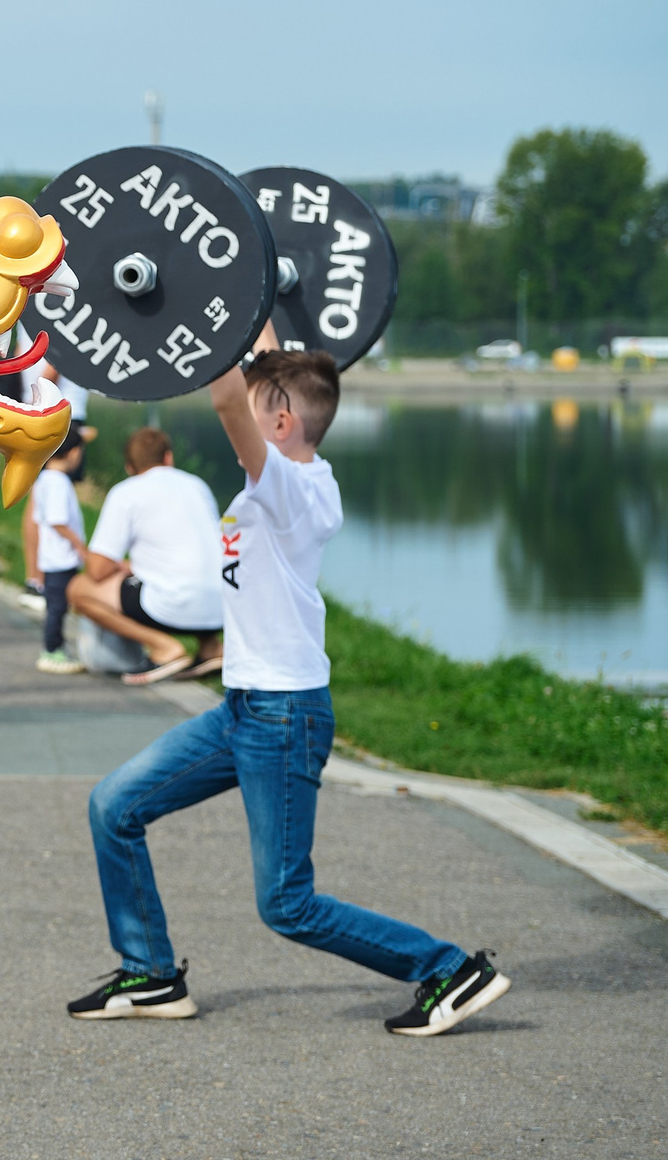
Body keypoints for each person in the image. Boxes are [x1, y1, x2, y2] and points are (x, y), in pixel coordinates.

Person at [72, 330, 509, 1035]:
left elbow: (223, 395)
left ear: (279, 423)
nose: (241, 410)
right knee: (114, 807)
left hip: (283, 716)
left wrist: (195, 315)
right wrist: (245, 289)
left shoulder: (288, 487)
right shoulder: (293, 477)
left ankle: (448, 967)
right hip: (242, 708)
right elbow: (259, 345)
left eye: (254, 407)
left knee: (287, 903)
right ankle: (150, 973)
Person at [66, 426, 225, 686]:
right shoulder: (198, 485)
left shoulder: (127, 491)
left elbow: (96, 569)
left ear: (130, 467)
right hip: (223, 607)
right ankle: (211, 647)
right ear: (168, 458)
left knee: (78, 589)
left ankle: (164, 648)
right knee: (192, 574)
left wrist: (123, 566)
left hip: (171, 606)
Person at [25, 434, 88, 673]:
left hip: (50, 557)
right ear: (73, 453)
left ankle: (56, 648)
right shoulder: (59, 482)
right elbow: (58, 520)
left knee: (56, 605)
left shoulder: (43, 480)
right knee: (58, 608)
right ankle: (52, 651)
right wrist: (80, 546)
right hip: (62, 558)